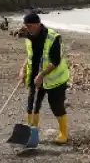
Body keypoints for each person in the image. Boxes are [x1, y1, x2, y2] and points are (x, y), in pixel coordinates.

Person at [18, 13, 71, 144]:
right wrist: (23, 69)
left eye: (30, 26)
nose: (28, 29)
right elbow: (30, 55)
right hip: (34, 76)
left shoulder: (53, 37)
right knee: (32, 106)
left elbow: (55, 61)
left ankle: (63, 134)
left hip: (54, 80)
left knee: (57, 107)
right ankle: (32, 133)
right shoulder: (28, 37)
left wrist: (41, 75)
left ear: (38, 24)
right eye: (26, 26)